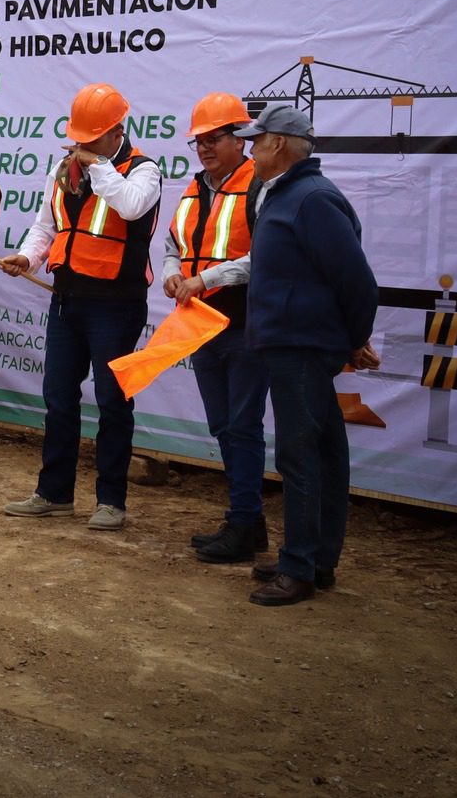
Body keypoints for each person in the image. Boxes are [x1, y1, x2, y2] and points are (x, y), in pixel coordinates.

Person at [0, 82, 161, 530]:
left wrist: (99, 167)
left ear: (116, 133)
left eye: (91, 140)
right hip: (67, 300)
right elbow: (45, 226)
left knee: (112, 401)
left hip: (116, 305)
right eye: (78, 140)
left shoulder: (144, 171)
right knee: (59, 398)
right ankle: (54, 493)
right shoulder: (62, 170)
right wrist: (27, 257)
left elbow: (129, 208)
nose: (82, 147)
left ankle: (111, 500)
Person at [237, 105, 380, 606]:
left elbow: (356, 279)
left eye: (256, 141)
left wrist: (352, 337)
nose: (250, 149)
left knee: (301, 454)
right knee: (323, 451)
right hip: (293, 344)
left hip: (301, 347)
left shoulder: (311, 199)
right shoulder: (291, 195)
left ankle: (299, 568)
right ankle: (315, 559)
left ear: (278, 144)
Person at [163, 92, 269, 565]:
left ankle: (244, 522)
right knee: (224, 424)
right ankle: (249, 520)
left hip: (244, 326)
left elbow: (265, 256)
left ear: (239, 139)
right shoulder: (195, 189)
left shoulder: (259, 186)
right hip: (202, 326)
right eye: (199, 141)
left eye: (214, 139)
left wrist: (205, 278)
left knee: (242, 426)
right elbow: (173, 241)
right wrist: (172, 269)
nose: (204, 148)